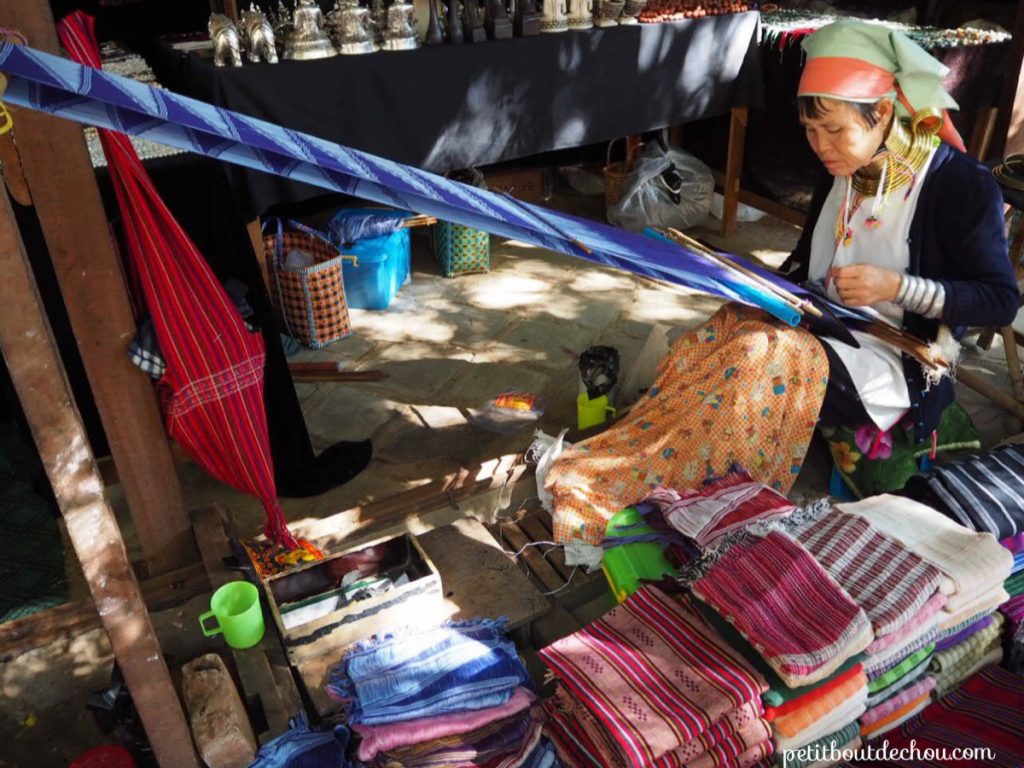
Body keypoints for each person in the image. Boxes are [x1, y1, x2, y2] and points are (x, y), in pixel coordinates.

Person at [782, 19, 1019, 496]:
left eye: (833, 129)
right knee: (731, 329)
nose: (820, 147)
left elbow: (1000, 301)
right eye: (810, 131)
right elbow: (803, 262)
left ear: (884, 112)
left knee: (774, 360)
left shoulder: (960, 186)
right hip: (824, 328)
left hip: (898, 357)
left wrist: (896, 288)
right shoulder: (844, 167)